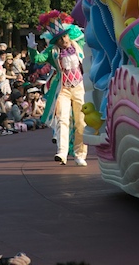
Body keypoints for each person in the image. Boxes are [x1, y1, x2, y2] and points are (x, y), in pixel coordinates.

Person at [34, 11, 88, 166]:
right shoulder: (53, 52)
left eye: (64, 37)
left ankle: (79, 154)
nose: (63, 41)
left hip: (79, 87)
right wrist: (32, 48)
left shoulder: (78, 45)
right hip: (63, 89)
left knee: (81, 122)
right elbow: (38, 59)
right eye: (59, 39)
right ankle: (62, 152)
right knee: (63, 119)